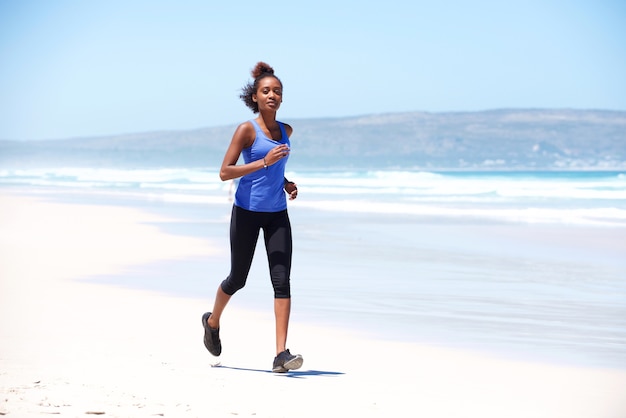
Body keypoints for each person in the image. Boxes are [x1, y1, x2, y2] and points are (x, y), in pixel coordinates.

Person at [202, 62, 303, 373]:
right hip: (246, 212)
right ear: (256, 97)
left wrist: (284, 182)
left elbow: (277, 168)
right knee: (238, 279)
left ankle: (281, 355)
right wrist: (262, 162)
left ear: (282, 99)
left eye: (277, 92)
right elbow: (224, 172)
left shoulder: (286, 131)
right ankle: (212, 321)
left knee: (281, 280)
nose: (272, 95)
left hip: (277, 215)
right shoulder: (247, 130)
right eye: (266, 91)